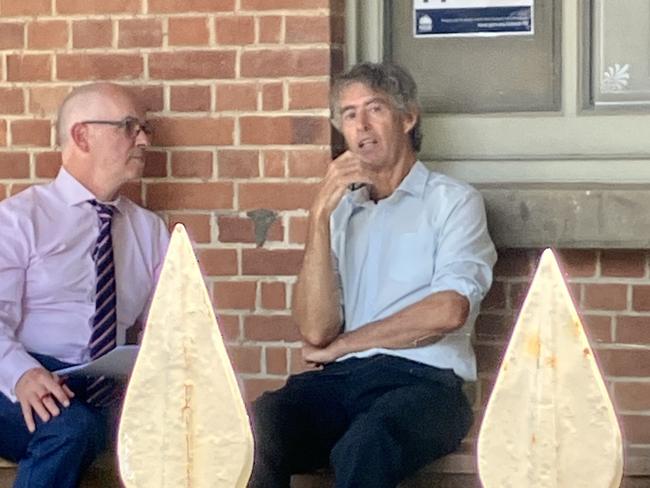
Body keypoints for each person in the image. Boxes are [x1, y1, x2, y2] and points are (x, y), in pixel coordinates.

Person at [248, 62, 497, 488]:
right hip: (344, 380)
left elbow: (449, 310)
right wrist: (319, 215)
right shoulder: (344, 213)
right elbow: (314, 328)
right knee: (256, 426)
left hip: (426, 384)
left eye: (374, 108)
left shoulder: (452, 202)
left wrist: (346, 343)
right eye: (348, 115)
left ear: (408, 116)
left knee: (366, 443)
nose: (361, 125)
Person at [0, 82, 169, 488]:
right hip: (18, 379)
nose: (143, 140)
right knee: (69, 429)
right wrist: (22, 373)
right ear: (81, 135)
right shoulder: (20, 220)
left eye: (144, 128)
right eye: (129, 127)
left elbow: (173, 324)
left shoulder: (149, 230)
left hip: (103, 386)